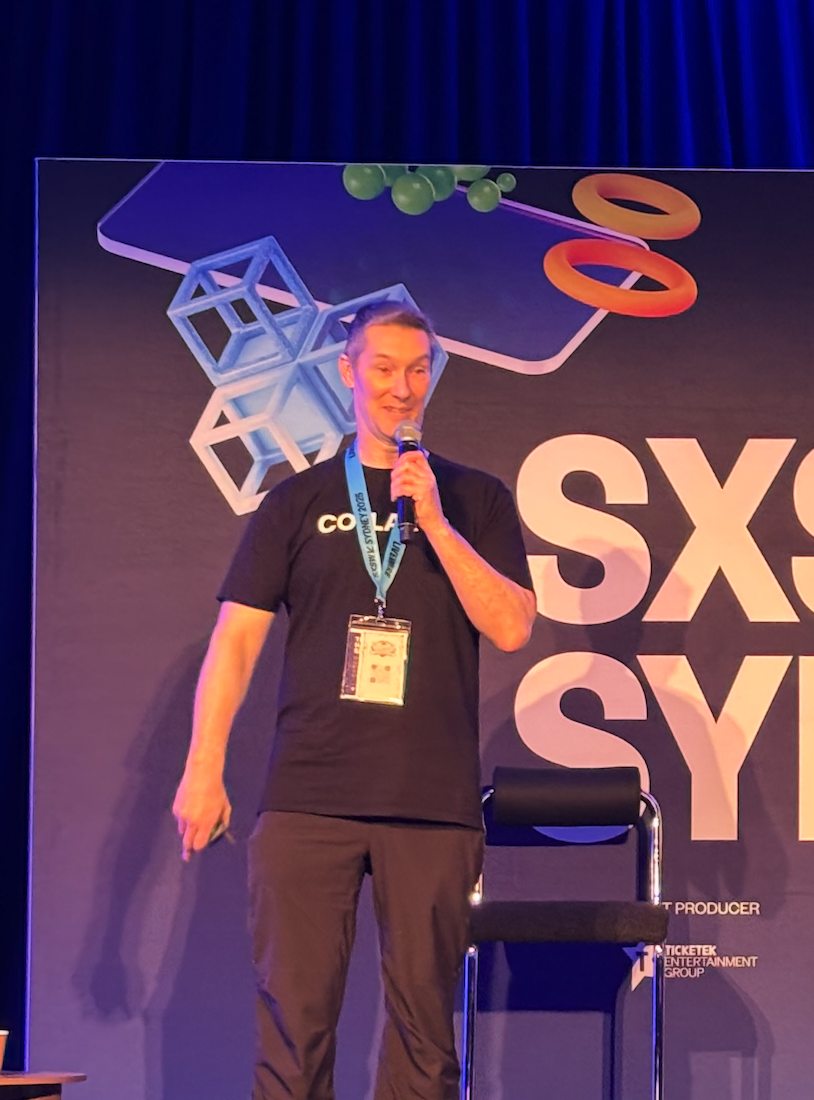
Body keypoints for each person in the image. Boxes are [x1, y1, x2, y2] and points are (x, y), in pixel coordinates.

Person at [170, 302, 537, 1100]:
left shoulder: (476, 501)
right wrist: (204, 768)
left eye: (416, 370)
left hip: (430, 803)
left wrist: (435, 522)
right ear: (347, 373)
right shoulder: (295, 504)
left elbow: (510, 626)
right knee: (293, 1032)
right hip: (310, 798)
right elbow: (235, 641)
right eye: (382, 369)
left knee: (425, 1040)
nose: (400, 389)